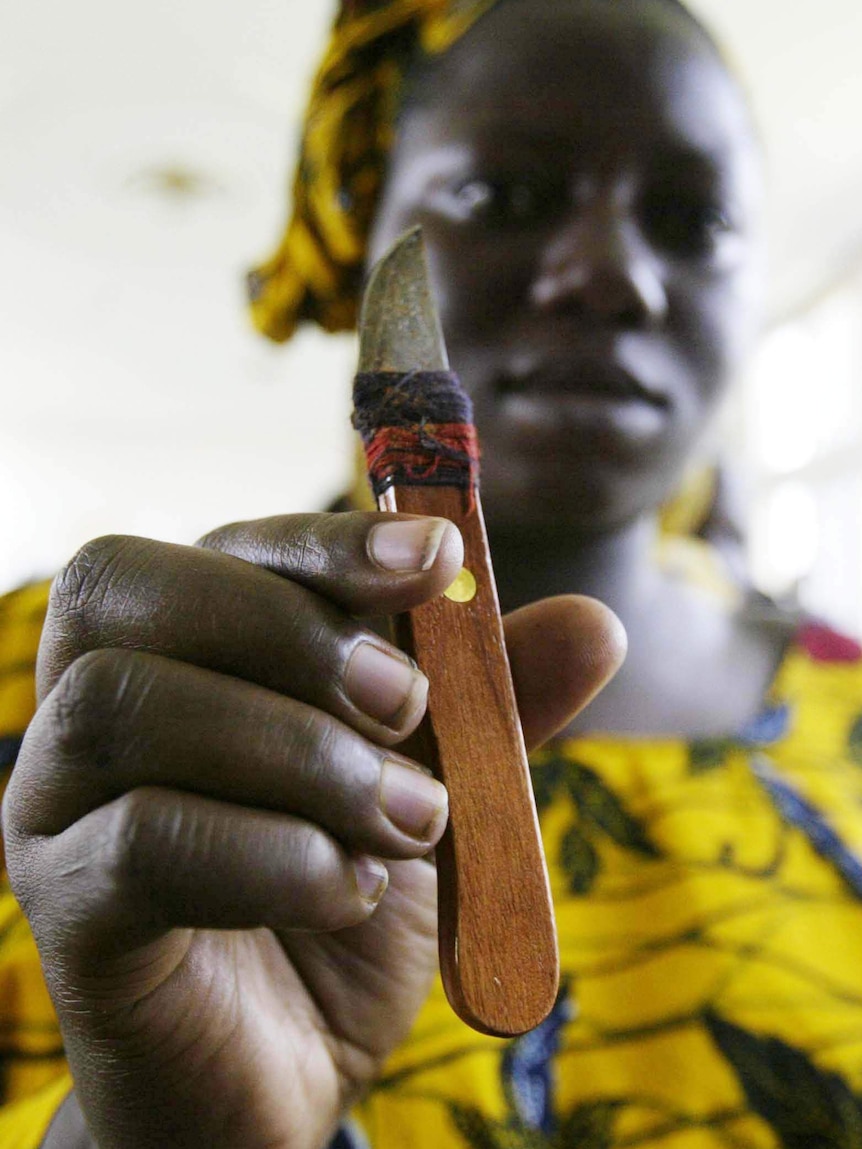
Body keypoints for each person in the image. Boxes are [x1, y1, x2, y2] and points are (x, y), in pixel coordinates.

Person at [2, 0, 862, 1145]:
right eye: (505, 197)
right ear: (357, 236)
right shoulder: (62, 695)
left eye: (691, 218)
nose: (612, 275)